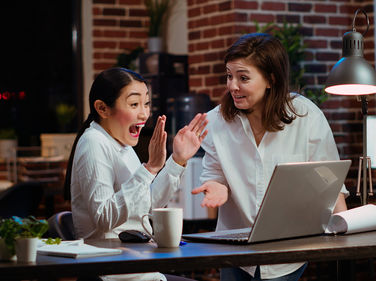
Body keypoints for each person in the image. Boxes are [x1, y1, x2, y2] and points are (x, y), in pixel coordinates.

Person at [191, 33, 349, 281]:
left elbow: (330, 181)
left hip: (288, 250)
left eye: (243, 78)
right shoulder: (216, 121)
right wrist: (217, 186)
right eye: (229, 76)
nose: (232, 85)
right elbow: (214, 175)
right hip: (233, 250)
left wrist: (345, 233)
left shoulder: (305, 115)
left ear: (270, 79)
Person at [65, 67, 207, 281]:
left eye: (146, 103)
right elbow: (104, 218)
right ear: (102, 108)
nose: (144, 113)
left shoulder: (121, 142)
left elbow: (146, 207)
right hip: (111, 275)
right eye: (134, 104)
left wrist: (177, 161)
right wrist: (149, 168)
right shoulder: (94, 142)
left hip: (139, 270)